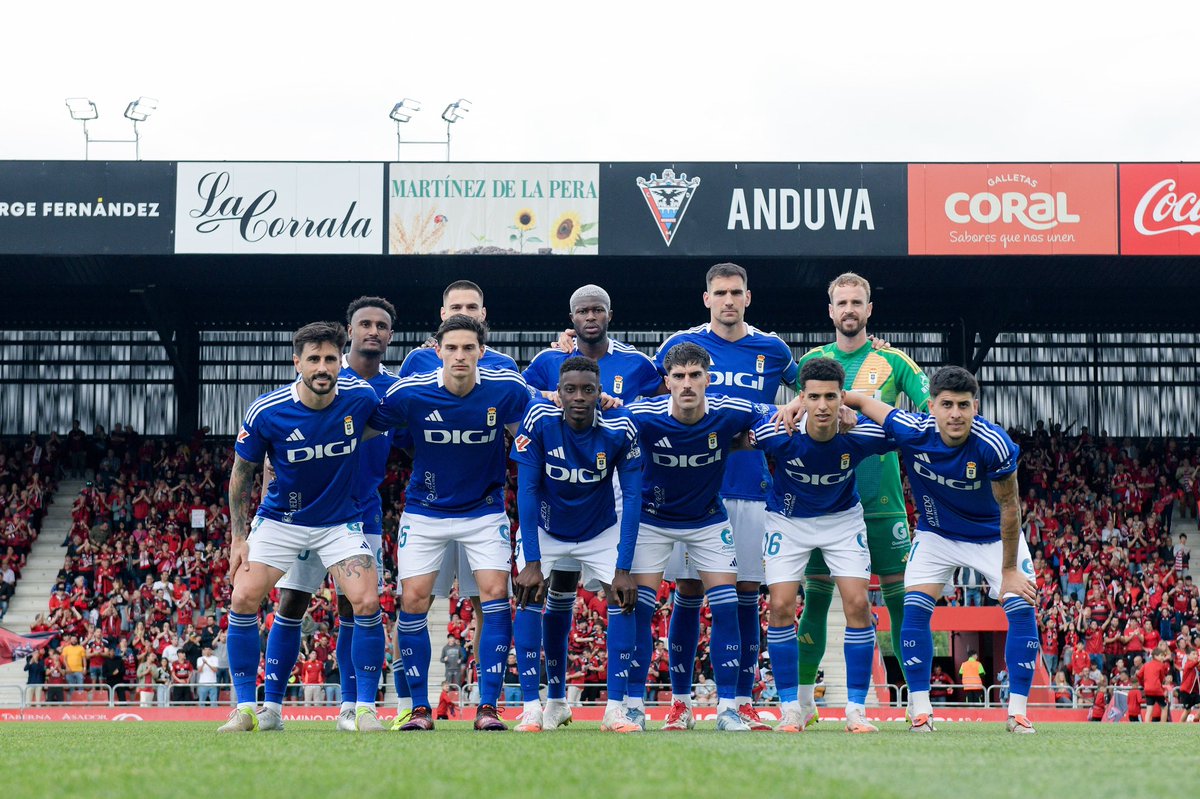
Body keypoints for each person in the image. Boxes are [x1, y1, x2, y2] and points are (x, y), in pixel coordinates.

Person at [841, 365, 1040, 733]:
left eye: (963, 405)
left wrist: (1010, 570)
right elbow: (863, 401)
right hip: (937, 536)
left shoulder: (992, 444)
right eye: (946, 404)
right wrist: (829, 403)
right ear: (930, 406)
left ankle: (1018, 712)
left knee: (1022, 607)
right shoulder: (913, 430)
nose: (955, 414)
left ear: (975, 407)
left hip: (992, 538)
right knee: (914, 611)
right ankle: (920, 712)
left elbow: (1011, 508)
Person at [217, 321, 387, 734]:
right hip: (281, 521)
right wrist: (239, 538)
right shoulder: (267, 410)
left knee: (366, 603)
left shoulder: (361, 397)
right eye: (314, 359)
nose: (323, 366)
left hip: (339, 522)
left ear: (340, 360)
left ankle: (364, 710)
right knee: (243, 598)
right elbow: (241, 474)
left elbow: (388, 421)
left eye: (331, 358)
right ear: (298, 362)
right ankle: (245, 709)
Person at [651, 263, 799, 731]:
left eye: (736, 292)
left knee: (746, 593)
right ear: (707, 298)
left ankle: (740, 700)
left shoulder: (773, 349)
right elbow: (654, 401)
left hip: (751, 488)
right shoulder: (680, 347)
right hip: (690, 491)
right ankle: (680, 702)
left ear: (748, 298)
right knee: (688, 592)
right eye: (721, 292)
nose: (729, 300)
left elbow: (804, 393)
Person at [776, 272, 929, 719]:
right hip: (825, 506)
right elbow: (788, 409)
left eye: (856, 302)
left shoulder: (895, 362)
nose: (849, 310)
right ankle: (804, 704)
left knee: (903, 602)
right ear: (830, 310)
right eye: (841, 302)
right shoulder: (813, 363)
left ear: (868, 309)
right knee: (816, 601)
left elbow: (929, 404)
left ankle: (917, 703)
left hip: (883, 505)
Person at [372, 314, 532, 732]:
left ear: (482, 352)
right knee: (414, 602)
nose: (460, 355)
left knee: (497, 596)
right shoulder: (410, 392)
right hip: (425, 512)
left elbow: (527, 438)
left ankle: (489, 708)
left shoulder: (507, 389)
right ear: (437, 351)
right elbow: (366, 429)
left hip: (485, 511)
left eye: (468, 348)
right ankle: (420, 708)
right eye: (452, 348)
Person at [259, 296, 404, 732]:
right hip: (303, 513)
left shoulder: (391, 389)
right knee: (292, 600)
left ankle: (350, 708)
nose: (373, 331)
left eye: (381, 325)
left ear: (390, 336)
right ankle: (270, 707)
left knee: (354, 607)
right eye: (365, 324)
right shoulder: (317, 379)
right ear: (350, 333)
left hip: (362, 512)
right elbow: (275, 450)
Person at [524, 285, 664, 731]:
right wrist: (548, 398)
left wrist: (621, 408)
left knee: (625, 596)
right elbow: (522, 399)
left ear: (609, 313)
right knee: (552, 598)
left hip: (613, 491)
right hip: (554, 502)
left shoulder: (638, 364)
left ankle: (619, 707)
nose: (590, 316)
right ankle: (547, 702)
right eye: (582, 310)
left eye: (597, 309)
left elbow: (658, 407)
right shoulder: (547, 361)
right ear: (571, 316)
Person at [622, 342, 772, 732]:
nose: (687, 384)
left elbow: (774, 414)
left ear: (708, 378)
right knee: (639, 610)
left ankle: (727, 709)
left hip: (708, 520)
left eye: (694, 375)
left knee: (726, 607)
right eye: (678, 376)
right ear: (667, 381)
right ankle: (638, 707)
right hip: (653, 520)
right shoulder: (641, 415)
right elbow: (603, 427)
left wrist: (794, 411)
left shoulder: (730, 411)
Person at [751, 358, 896, 733]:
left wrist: (861, 406)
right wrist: (778, 408)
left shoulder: (859, 434)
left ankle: (855, 710)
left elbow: (902, 428)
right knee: (781, 605)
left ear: (841, 398)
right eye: (813, 396)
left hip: (842, 521)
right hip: (788, 521)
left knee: (859, 604)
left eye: (831, 397)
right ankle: (791, 709)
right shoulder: (777, 431)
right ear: (801, 397)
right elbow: (741, 418)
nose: (822, 406)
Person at [509, 356, 643, 732]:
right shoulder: (538, 420)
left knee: (622, 600)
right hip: (548, 529)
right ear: (559, 394)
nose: (579, 397)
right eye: (570, 389)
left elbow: (633, 497)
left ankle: (615, 710)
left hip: (600, 529)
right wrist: (532, 561)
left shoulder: (621, 426)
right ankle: (538, 706)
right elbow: (528, 489)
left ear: (600, 393)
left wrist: (623, 568)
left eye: (588, 389)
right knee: (529, 596)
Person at [398, 281, 522, 666]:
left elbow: (519, 431)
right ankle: (411, 703)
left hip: (482, 505)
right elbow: (402, 432)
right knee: (415, 599)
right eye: (456, 306)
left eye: (472, 306)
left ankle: (483, 694)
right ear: (442, 315)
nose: (463, 312)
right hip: (429, 505)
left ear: (483, 316)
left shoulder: (504, 368)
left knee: (485, 599)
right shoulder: (417, 364)